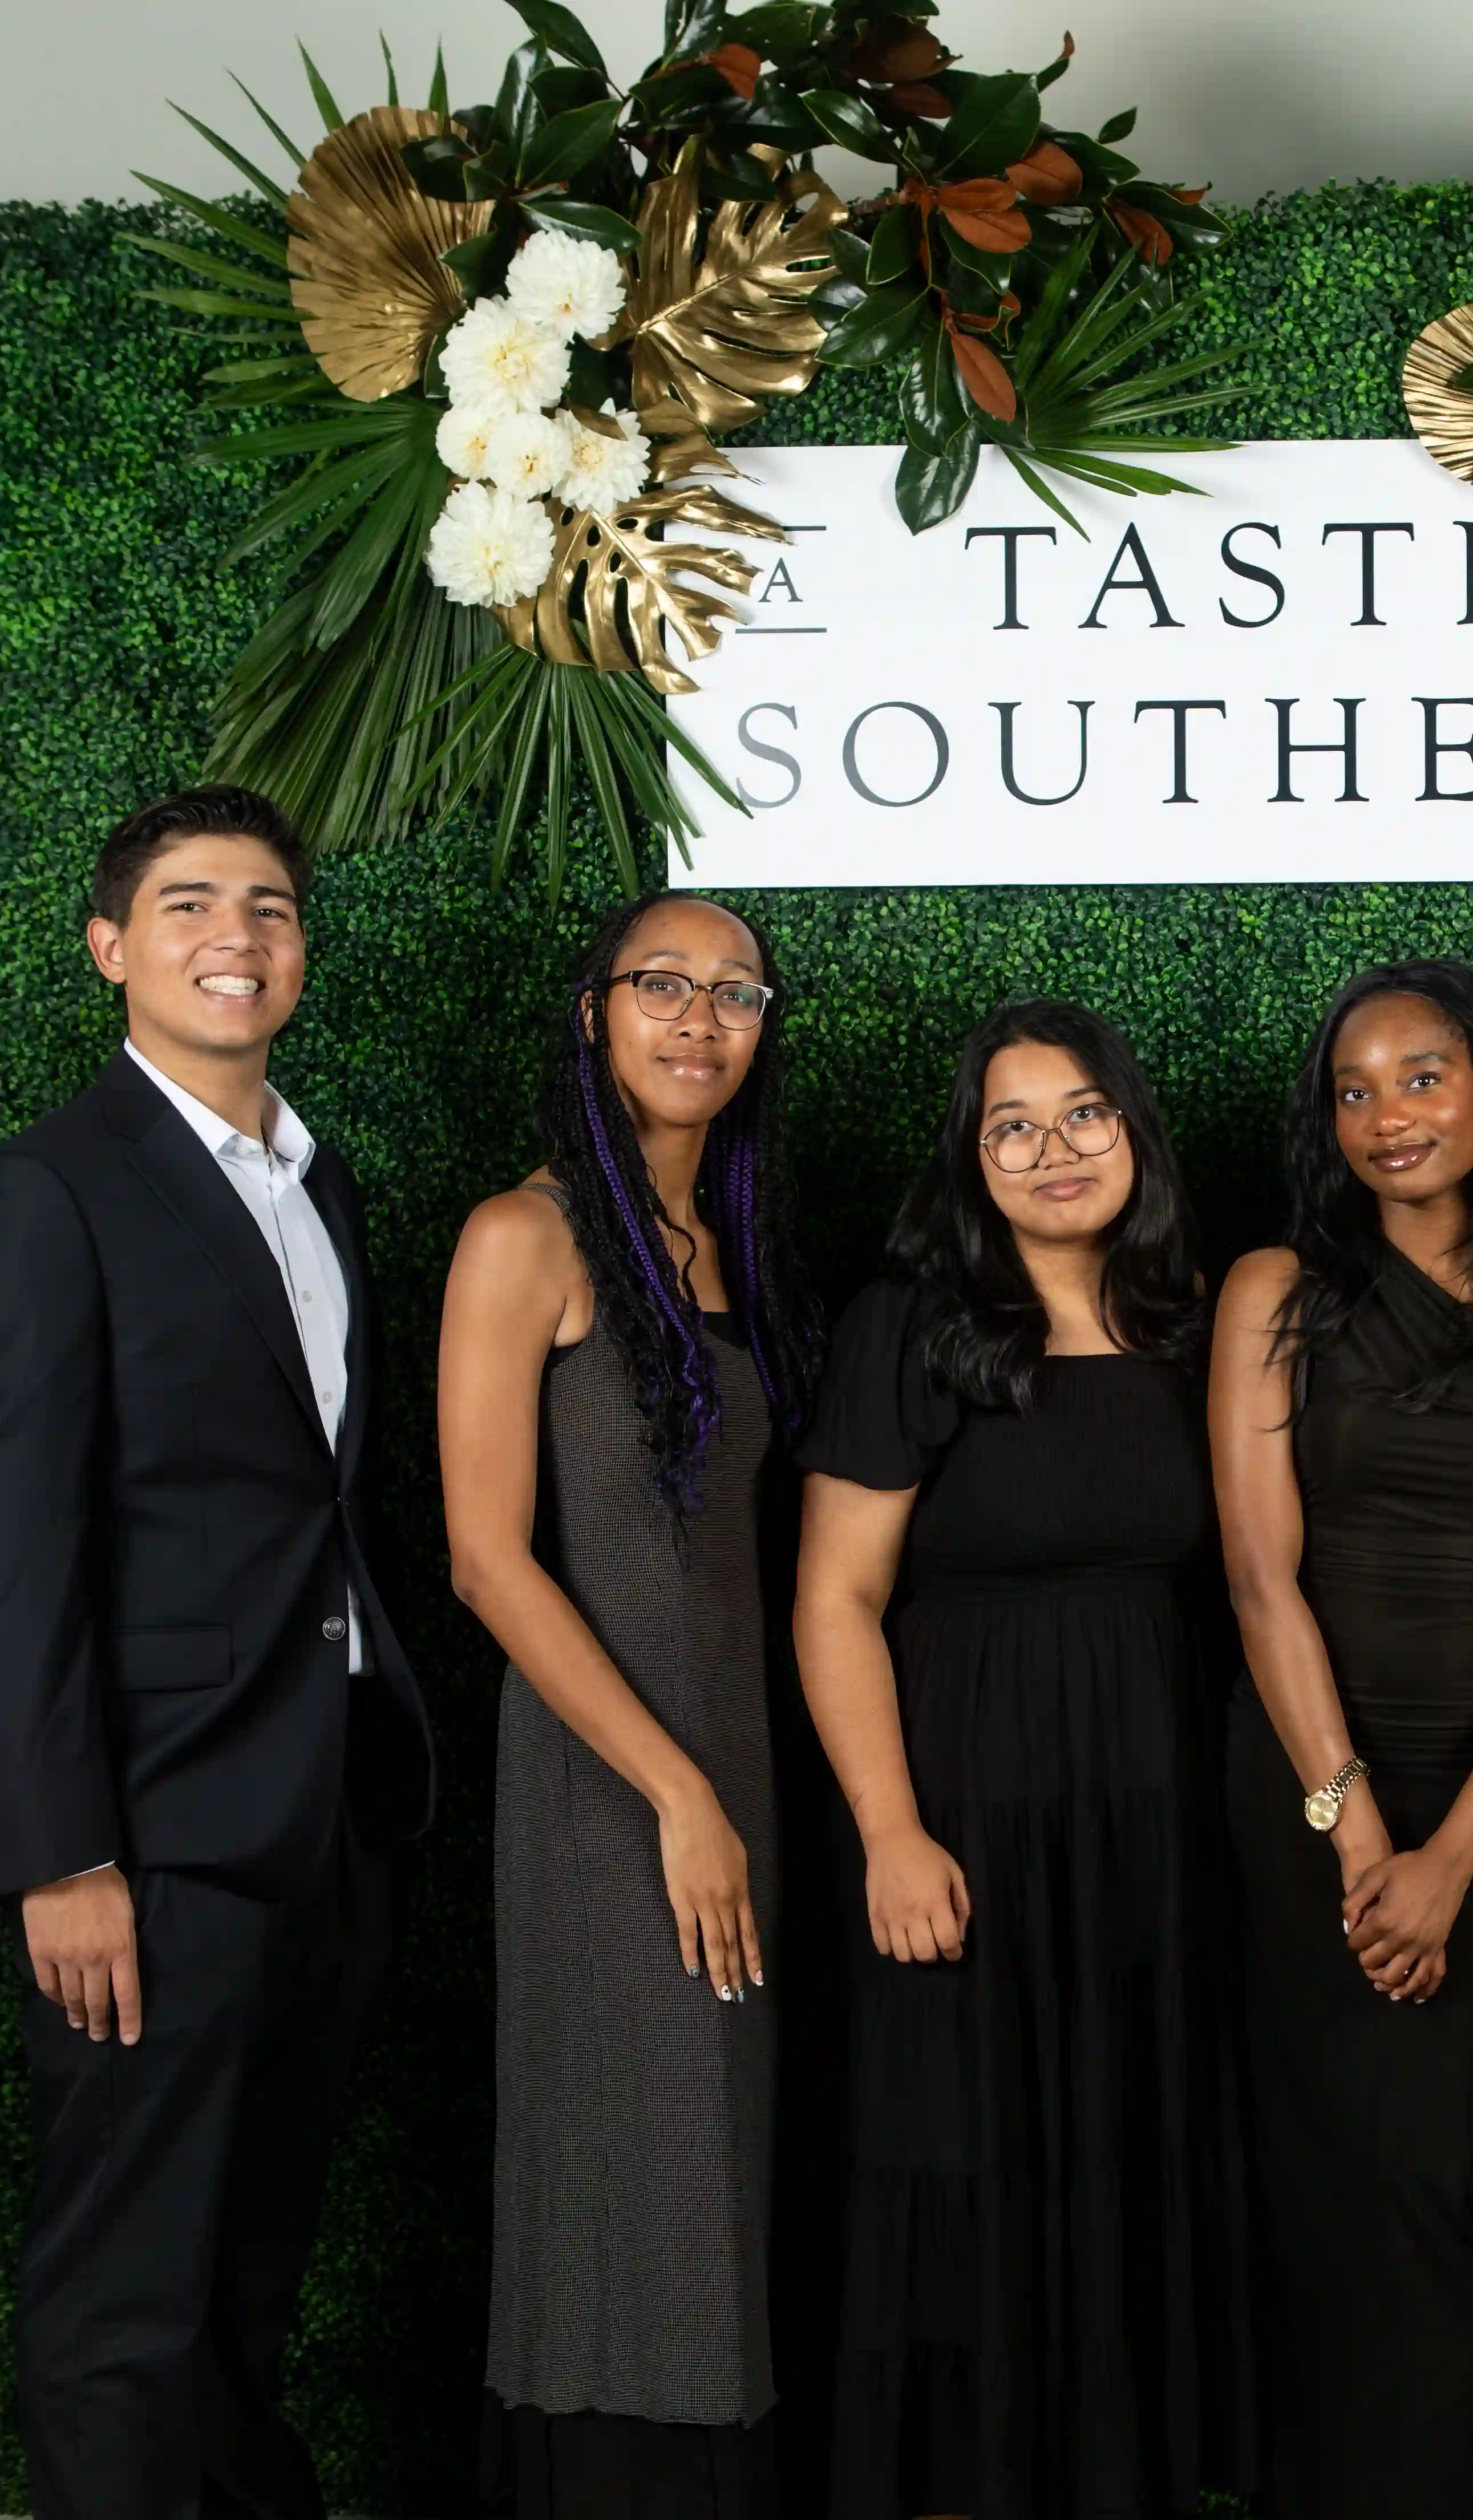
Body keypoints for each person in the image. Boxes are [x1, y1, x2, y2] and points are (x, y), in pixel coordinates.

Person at [0, 785, 439, 2520]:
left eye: (273, 907)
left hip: (318, 1819)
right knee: (125, 2297)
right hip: (141, 1843)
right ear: (110, 948)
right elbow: (1, 1559)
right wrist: (58, 1849)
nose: (240, 936)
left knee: (245, 2276)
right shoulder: (43, 1197)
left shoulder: (318, 1180)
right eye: (192, 905)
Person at [796, 998, 1255, 2518]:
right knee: (965, 2152)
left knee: (1134, 2138)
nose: (1054, 1151)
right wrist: (889, 1835)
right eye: (1013, 1126)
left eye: (1083, 1116)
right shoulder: (913, 1328)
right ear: (969, 1160)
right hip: (967, 1814)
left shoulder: (1198, 1327)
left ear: (1134, 1131)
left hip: (1159, 1814)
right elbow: (836, 1602)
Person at [1212, 960, 1473, 2519]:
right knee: (1328, 2173)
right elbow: (1262, 1579)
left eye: (1421, 1077)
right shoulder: (1276, 1291)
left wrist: (1452, 1853)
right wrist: (1357, 1824)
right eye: (1354, 1089)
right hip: (1306, 1782)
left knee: (1429, 2176)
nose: (1387, 1115)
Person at [438, 892, 823, 2514]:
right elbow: (483, 1556)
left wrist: (721, 1793)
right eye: (661, 984)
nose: (697, 1017)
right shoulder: (521, 1236)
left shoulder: (740, 1249)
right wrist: (674, 1795)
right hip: (612, 1794)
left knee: (721, 2171)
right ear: (591, 1013)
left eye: (733, 993)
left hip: (737, 1771)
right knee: (626, 2163)